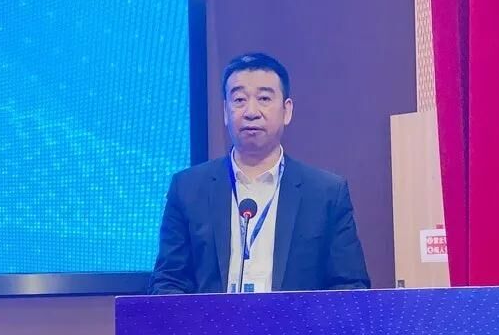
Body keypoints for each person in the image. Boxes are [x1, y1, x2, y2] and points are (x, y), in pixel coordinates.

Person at [149, 52, 370, 294]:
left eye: (264, 98)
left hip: (294, 320)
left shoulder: (326, 193)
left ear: (286, 110)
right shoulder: (188, 188)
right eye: (239, 100)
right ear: (225, 111)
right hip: (211, 320)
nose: (251, 111)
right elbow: (168, 283)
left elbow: (350, 287)